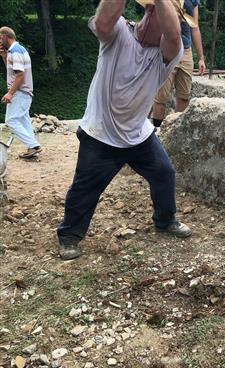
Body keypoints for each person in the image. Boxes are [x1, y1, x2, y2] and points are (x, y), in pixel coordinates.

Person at [57, 0, 192, 261]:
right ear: (150, 12)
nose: (169, 29)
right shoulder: (118, 33)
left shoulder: (166, 54)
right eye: (167, 19)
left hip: (138, 135)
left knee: (164, 174)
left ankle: (165, 221)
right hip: (100, 134)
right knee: (85, 189)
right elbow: (104, 21)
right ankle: (69, 236)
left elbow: (174, 35)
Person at [151, 0, 205, 127]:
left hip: (186, 51)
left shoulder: (193, 1)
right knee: (161, 96)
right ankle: (156, 130)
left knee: (184, 96)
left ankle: (177, 129)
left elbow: (195, 28)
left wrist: (201, 57)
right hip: (168, 47)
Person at [0, 27, 41, 159]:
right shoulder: (18, 50)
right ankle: (32, 148)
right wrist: (4, 57)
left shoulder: (15, 52)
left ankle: (34, 145)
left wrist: (10, 93)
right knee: (24, 120)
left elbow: (20, 76)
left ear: (5, 36)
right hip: (24, 91)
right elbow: (13, 71)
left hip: (20, 92)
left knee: (11, 120)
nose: (0, 41)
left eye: (0, 38)